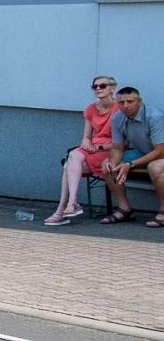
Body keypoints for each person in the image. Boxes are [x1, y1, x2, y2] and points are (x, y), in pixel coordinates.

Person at [44, 75, 117, 225]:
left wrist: (100, 147)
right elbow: (86, 136)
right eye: (94, 86)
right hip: (92, 148)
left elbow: (122, 142)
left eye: (102, 85)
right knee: (73, 155)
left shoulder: (119, 108)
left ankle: (61, 211)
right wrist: (86, 143)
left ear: (112, 88)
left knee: (67, 166)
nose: (98, 89)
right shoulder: (91, 109)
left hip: (110, 150)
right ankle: (72, 203)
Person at [99, 86, 164, 227]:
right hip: (144, 151)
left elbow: (160, 151)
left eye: (130, 101)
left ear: (139, 101)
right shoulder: (118, 118)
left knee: (155, 166)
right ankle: (125, 210)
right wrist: (113, 162)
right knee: (109, 165)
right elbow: (117, 147)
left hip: (160, 152)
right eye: (121, 103)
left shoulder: (155, 116)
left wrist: (131, 164)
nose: (126, 106)